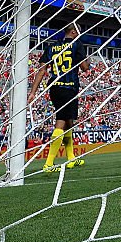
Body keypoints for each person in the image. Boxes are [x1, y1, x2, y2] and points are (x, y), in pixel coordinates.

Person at [29, 24, 90, 173]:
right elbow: (85, 68)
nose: (79, 35)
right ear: (73, 31)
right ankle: (49, 164)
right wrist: (86, 59)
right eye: (78, 32)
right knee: (61, 122)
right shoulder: (76, 45)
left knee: (69, 122)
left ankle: (71, 158)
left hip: (54, 87)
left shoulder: (52, 47)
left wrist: (33, 92)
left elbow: (42, 71)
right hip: (69, 87)